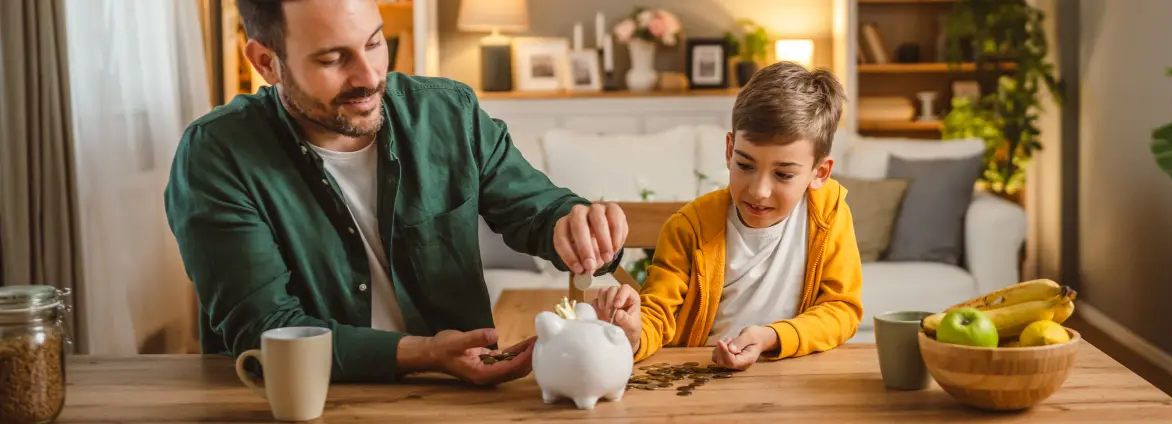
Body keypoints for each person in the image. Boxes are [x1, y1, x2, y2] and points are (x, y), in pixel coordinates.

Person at [163, 0, 627, 384]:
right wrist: (424, 353)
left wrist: (580, 225)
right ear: (267, 62)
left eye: (374, 42)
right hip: (294, 403)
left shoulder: (448, 113)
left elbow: (540, 211)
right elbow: (265, 330)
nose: (368, 77)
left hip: (450, 399)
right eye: (332, 58)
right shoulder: (217, 154)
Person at [590, 62, 863, 370]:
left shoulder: (830, 214)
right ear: (730, 149)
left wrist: (772, 337)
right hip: (702, 377)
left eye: (783, 174)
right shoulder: (688, 228)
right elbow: (657, 315)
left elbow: (841, 309)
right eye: (745, 165)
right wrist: (634, 333)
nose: (759, 191)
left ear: (820, 172)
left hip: (794, 374)